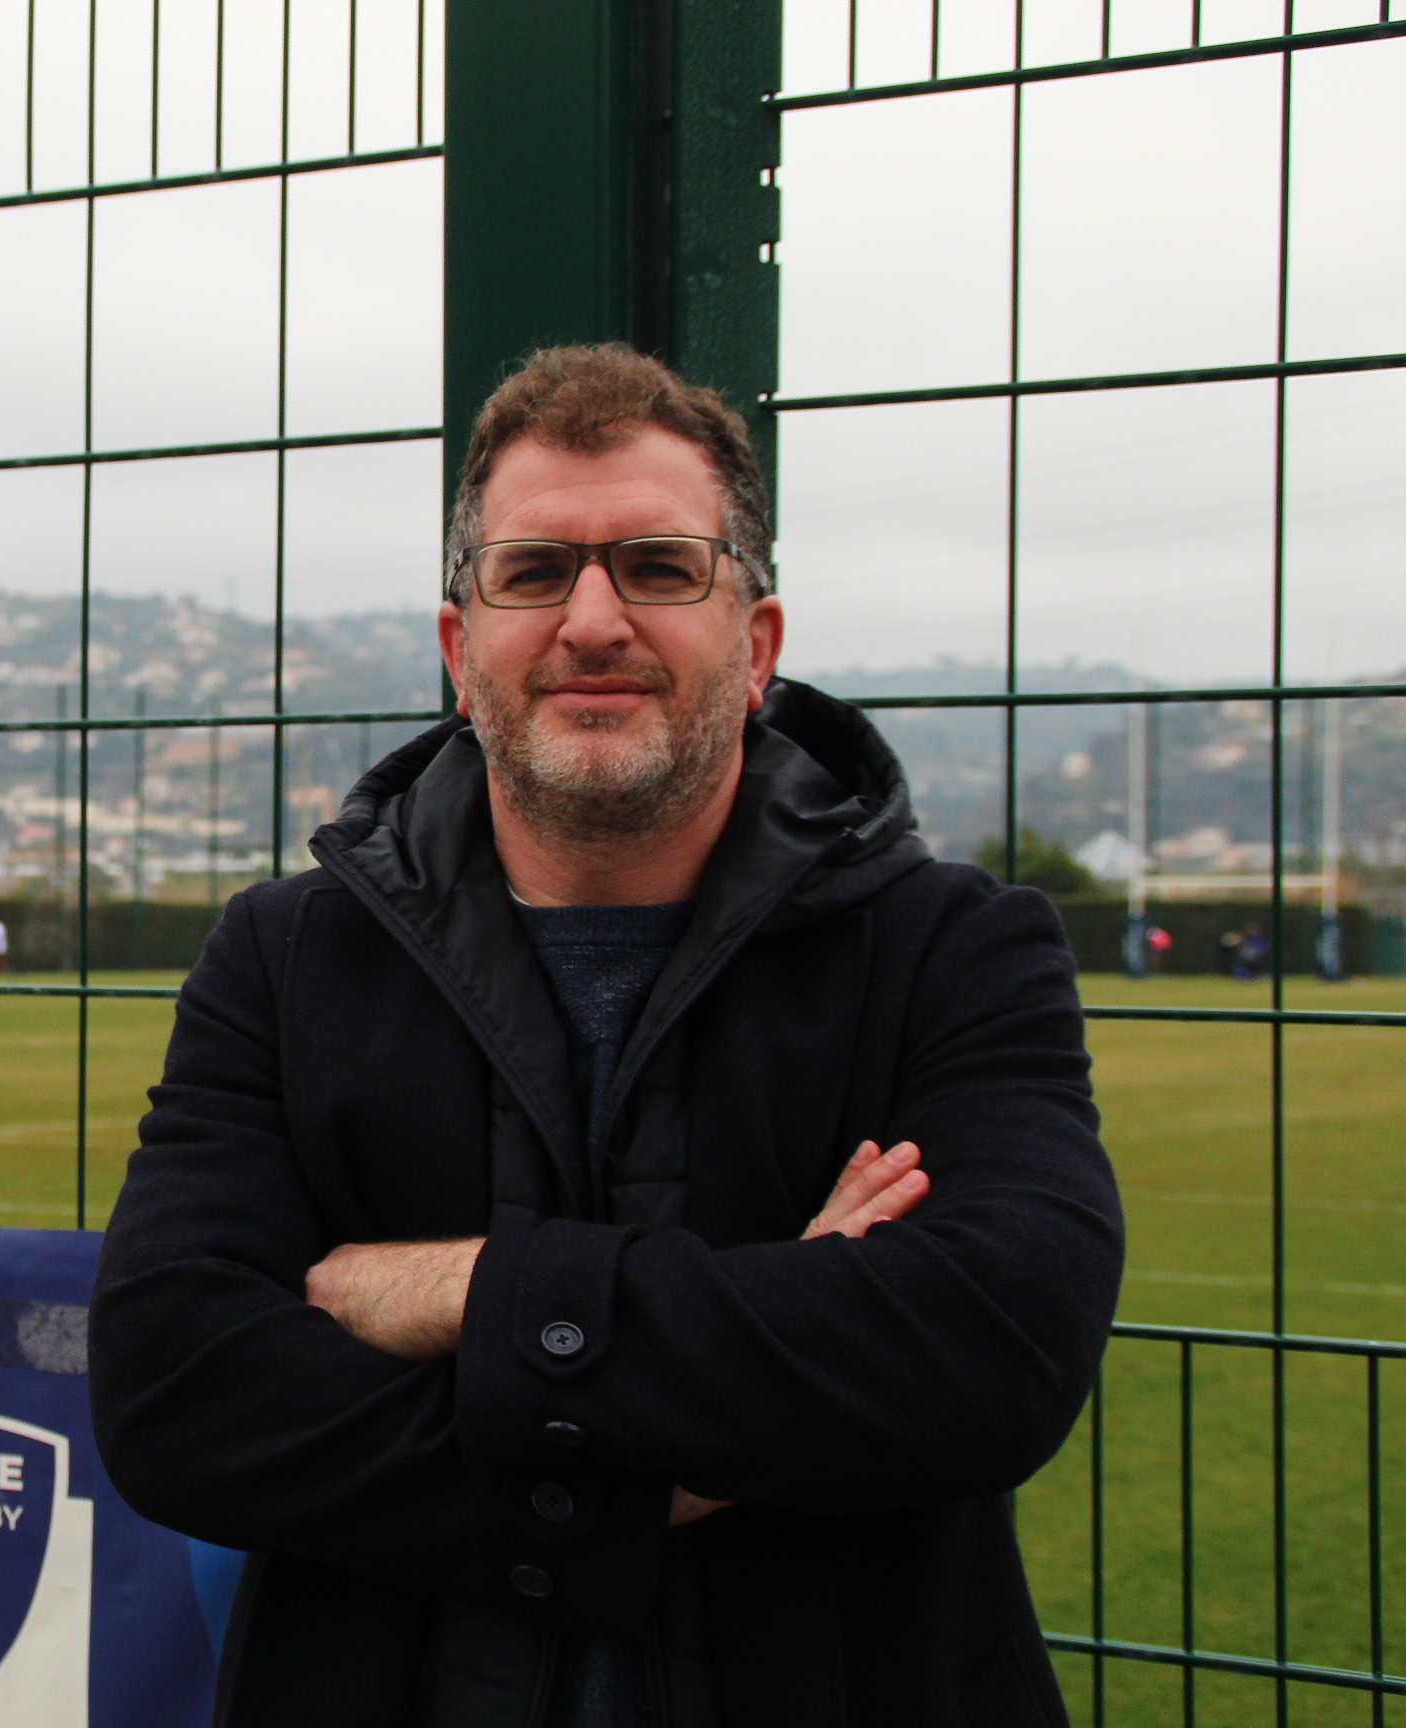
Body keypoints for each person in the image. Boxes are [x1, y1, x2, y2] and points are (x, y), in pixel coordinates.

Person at [90, 345, 1123, 1727]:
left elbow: (993, 1353)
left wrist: (458, 1291)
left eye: (657, 567)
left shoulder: (954, 950)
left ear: (756, 645)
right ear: (460, 653)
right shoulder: (285, 962)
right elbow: (175, 1394)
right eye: (531, 573)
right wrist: (718, 1424)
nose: (591, 621)